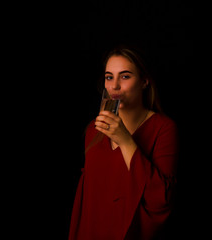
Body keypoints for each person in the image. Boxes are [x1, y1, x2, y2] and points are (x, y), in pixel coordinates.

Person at [68, 44, 179, 240]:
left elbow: (160, 200)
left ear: (144, 81)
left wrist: (125, 140)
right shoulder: (94, 128)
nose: (115, 86)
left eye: (125, 76)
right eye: (109, 77)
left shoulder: (163, 128)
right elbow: (86, 200)